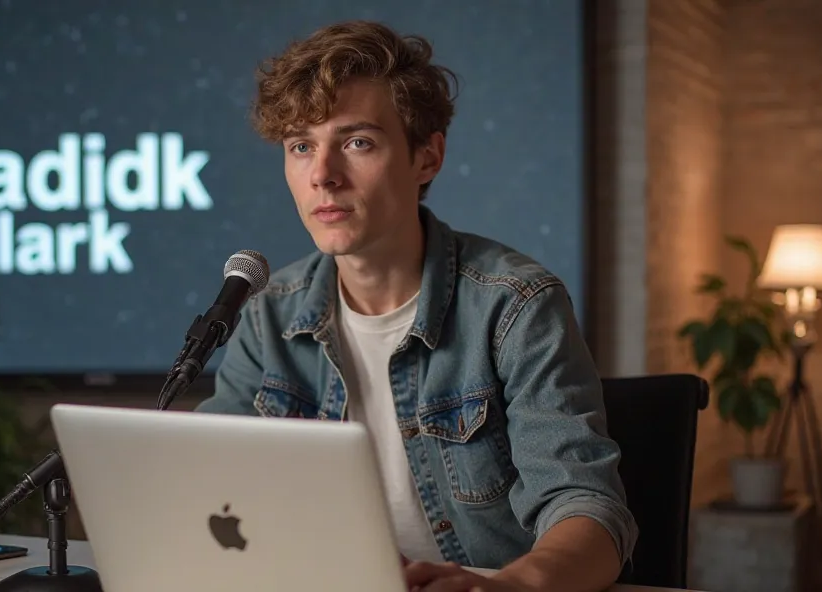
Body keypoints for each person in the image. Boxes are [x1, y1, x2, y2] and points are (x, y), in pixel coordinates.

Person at [194, 20, 637, 592]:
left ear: (427, 158)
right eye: (302, 146)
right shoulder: (267, 314)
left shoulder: (515, 307)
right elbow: (210, 488)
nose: (323, 176)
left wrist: (514, 586)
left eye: (357, 142)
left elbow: (587, 508)